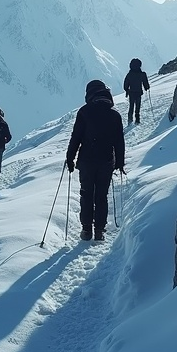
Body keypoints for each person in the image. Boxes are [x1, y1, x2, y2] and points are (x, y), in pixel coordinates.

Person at [66, 80, 125, 241]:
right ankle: (99, 230)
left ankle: (86, 231)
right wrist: (119, 162)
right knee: (101, 196)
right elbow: (119, 141)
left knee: (86, 194)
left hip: (86, 160)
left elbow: (76, 138)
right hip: (106, 161)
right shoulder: (114, 115)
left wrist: (70, 158)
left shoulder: (84, 112)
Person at [123, 58, 150, 124]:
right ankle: (137, 120)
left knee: (131, 106)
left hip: (131, 93)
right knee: (137, 107)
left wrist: (127, 89)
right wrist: (146, 87)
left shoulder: (129, 74)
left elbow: (126, 83)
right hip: (138, 92)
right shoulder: (142, 74)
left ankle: (130, 120)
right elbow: (145, 83)